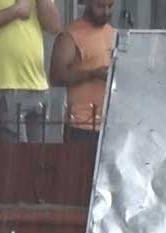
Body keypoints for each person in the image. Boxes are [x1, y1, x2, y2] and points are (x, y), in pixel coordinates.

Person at [0, 0, 61, 142]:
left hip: (37, 85)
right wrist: (14, 11)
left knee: (41, 158)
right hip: (2, 86)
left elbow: (54, 26)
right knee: (14, 157)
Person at [48, 0, 116, 144]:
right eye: (100, 6)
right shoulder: (70, 35)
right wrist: (93, 73)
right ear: (88, 3)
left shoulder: (112, 33)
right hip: (81, 123)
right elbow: (56, 76)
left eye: (110, 6)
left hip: (109, 123)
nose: (106, 12)